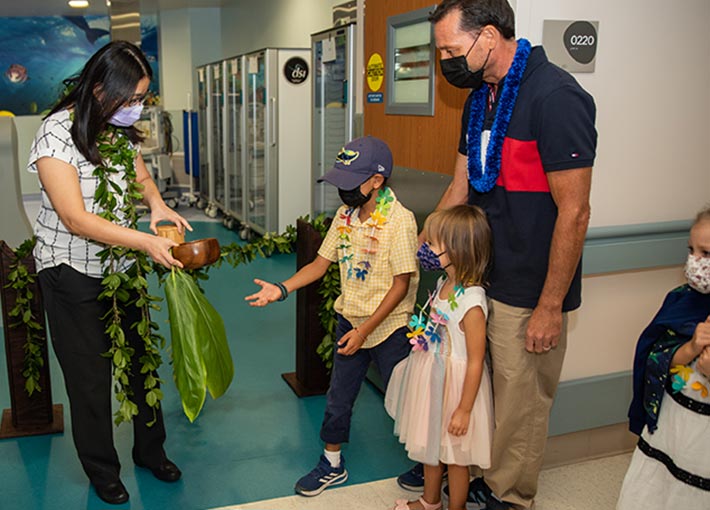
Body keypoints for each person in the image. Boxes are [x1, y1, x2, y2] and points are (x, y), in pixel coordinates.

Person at [396, 1, 597, 508]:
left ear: (489, 35)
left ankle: (510, 496)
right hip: (476, 276)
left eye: (450, 49)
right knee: (476, 388)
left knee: (519, 402)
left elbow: (574, 213)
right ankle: (474, 475)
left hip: (531, 286)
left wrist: (550, 305)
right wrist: (426, 243)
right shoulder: (480, 99)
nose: (445, 60)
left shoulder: (557, 98)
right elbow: (462, 184)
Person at [28, 41, 190, 504]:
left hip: (119, 267)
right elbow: (76, 219)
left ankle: (150, 452)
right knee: (90, 379)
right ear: (100, 90)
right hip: (70, 270)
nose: (137, 108)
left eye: (144, 97)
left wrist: (157, 205)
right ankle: (102, 470)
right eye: (132, 98)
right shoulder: (56, 134)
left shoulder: (117, 131)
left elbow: (139, 176)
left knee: (141, 365)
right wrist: (146, 241)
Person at [245, 136, 420, 497]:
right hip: (349, 322)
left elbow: (401, 285)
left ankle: (429, 461)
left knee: (406, 400)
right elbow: (320, 264)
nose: (342, 189)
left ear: (377, 180)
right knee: (338, 397)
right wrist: (281, 288)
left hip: (390, 328)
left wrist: (367, 330)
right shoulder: (344, 217)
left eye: (349, 180)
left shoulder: (400, 222)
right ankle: (332, 463)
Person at [385, 205, 494, 510]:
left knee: (456, 457)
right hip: (431, 377)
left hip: (457, 387)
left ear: (457, 250)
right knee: (430, 446)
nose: (426, 249)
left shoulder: (472, 302)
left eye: (432, 244)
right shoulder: (443, 285)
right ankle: (430, 501)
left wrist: (464, 409)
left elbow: (475, 360)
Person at [617, 207, 710, 508]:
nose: (695, 262)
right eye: (691, 250)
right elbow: (656, 358)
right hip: (672, 425)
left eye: (706, 253)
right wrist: (692, 348)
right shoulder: (680, 301)